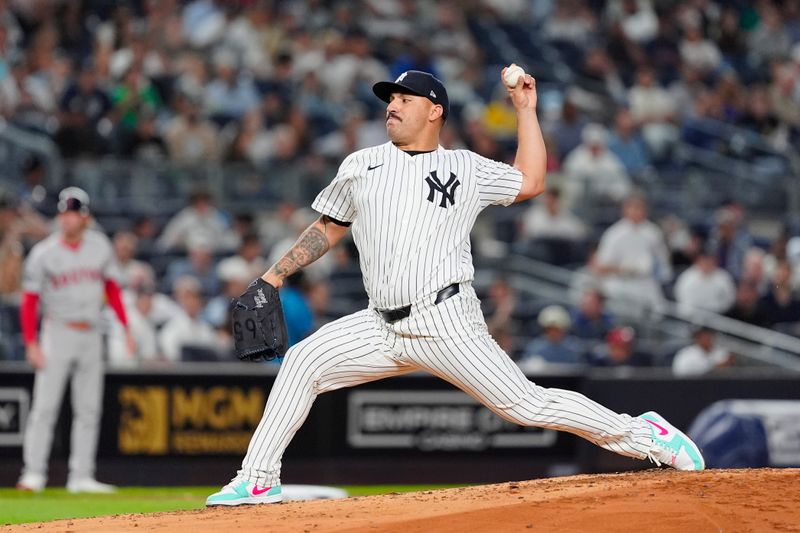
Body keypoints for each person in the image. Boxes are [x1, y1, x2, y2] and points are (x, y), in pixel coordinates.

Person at [206, 69, 704, 507]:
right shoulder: (360, 165)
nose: (392, 105)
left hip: (445, 319)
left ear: (434, 110)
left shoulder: (464, 167)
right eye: (389, 99)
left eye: (404, 98)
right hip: (380, 323)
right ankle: (256, 480)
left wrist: (525, 109)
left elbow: (530, 181)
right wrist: (274, 275)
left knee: (526, 406)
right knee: (302, 363)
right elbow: (329, 226)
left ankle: (647, 434)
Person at [17, 187, 134, 494]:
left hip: (92, 331)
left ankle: (81, 475)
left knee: (89, 408)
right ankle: (34, 473)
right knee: (45, 406)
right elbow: (29, 301)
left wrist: (126, 327)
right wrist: (31, 342)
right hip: (57, 331)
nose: (68, 219)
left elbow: (112, 288)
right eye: (64, 213)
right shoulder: (44, 252)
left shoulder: (99, 246)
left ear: (86, 217)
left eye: (74, 213)